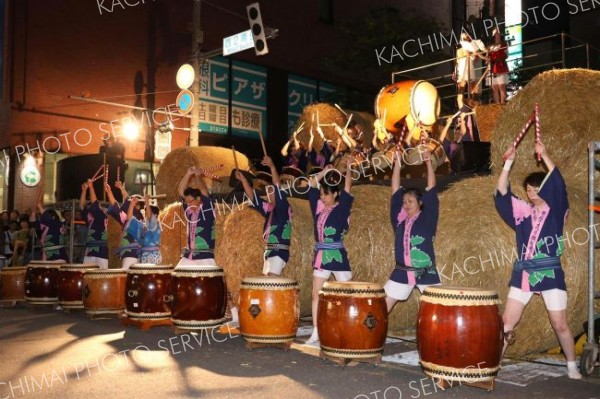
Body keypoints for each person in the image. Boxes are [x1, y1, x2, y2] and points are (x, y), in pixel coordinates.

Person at [495, 141, 581, 379]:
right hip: (523, 273)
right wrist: (508, 163)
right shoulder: (523, 215)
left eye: (536, 188)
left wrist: (545, 155)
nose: (531, 193)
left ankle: (572, 365)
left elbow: (559, 184)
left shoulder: (555, 211)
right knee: (506, 322)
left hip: (550, 273)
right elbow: (502, 192)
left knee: (559, 324)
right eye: (529, 190)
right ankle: (494, 364)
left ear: (545, 189)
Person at [177, 166, 239, 325]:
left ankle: (235, 314)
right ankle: (188, 310)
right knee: (178, 279)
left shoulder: (208, 209)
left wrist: (198, 177)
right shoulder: (189, 212)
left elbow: (204, 192)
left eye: (191, 201)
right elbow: (181, 190)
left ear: (198, 200)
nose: (188, 204)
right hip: (189, 256)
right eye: (187, 201)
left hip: (204, 255)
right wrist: (188, 173)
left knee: (217, 285)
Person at [383, 148, 440, 311]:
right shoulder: (399, 220)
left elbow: (431, 187)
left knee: (436, 309)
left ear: (420, 202)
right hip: (401, 272)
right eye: (404, 202)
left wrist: (428, 163)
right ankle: (369, 336)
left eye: (410, 201)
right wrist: (397, 164)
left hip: (425, 272)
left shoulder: (428, 217)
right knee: (381, 307)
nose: (406, 205)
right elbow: (394, 189)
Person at [305, 161, 354, 344]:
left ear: (336, 194)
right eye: (321, 194)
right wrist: (324, 171)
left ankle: (350, 328)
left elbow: (348, 187)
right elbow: (311, 184)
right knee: (315, 294)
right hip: (321, 257)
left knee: (348, 294)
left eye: (326, 194)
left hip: (338, 256)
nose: (323, 197)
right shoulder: (318, 208)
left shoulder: (342, 208)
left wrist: (348, 169)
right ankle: (316, 331)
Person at [236, 155, 292, 276]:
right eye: (267, 192)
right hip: (268, 251)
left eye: (271, 191)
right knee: (265, 282)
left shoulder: (283, 207)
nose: (269, 193)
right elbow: (252, 196)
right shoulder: (268, 209)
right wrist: (244, 180)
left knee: (271, 281)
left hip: (279, 251)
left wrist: (272, 166)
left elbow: (277, 186)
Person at [80, 180, 109, 269]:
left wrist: (91, 187)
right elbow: (81, 206)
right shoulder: (91, 218)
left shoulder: (103, 216)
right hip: (89, 251)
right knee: (87, 276)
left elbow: (94, 203)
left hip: (101, 252)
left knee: (101, 278)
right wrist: (84, 190)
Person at [126, 194, 162, 264]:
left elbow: (150, 217)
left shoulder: (156, 225)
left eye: (148, 212)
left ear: (156, 216)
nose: (146, 215)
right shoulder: (142, 227)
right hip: (143, 257)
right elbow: (129, 219)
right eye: (146, 213)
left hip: (153, 257)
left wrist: (147, 202)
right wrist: (132, 204)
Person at [35, 198, 69, 263]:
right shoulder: (51, 225)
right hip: (47, 253)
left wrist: (39, 206)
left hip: (58, 255)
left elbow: (48, 218)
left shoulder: (57, 223)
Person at [487, 28, 509, 104]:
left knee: (502, 87)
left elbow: (506, 55)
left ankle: (503, 105)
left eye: (498, 32)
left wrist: (498, 57)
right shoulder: (490, 47)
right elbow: (487, 58)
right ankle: (497, 106)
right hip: (492, 68)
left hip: (501, 66)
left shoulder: (504, 44)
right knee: (494, 88)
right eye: (496, 32)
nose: (498, 33)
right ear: (493, 35)